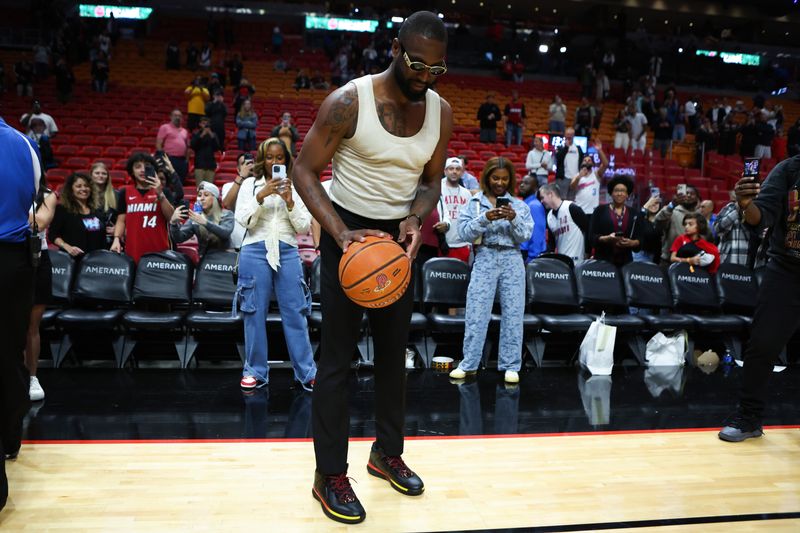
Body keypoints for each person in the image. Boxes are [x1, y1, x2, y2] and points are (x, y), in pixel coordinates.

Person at [292, 11, 452, 524]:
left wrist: (416, 219)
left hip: (398, 241)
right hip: (348, 235)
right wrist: (339, 234)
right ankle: (329, 474)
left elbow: (429, 180)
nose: (426, 76)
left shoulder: (441, 112)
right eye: (418, 64)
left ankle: (386, 453)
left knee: (392, 358)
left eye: (437, 69)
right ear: (395, 49)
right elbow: (303, 169)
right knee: (336, 362)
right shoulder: (349, 101)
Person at [719, 155, 800, 441]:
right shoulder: (789, 169)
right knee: (763, 345)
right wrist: (745, 204)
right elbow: (760, 216)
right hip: (787, 270)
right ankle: (749, 418)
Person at [233, 137, 316, 390]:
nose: (275, 162)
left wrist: (290, 201)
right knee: (253, 313)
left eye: (280, 158)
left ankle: (307, 372)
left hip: (288, 251)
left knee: (295, 312)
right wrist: (261, 196)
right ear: (262, 159)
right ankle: (255, 371)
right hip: (254, 251)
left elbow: (303, 226)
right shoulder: (249, 184)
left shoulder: (296, 186)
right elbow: (243, 220)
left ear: (286, 160)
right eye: (270, 157)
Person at [449, 157, 532, 383]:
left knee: (513, 314)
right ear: (487, 177)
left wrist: (514, 219)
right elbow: (464, 233)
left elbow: (526, 236)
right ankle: (469, 364)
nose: (500, 183)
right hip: (484, 256)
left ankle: (511, 365)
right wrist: (484, 218)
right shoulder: (474, 202)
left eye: (504, 179)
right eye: (495, 178)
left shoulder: (520, 206)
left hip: (512, 259)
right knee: (476, 313)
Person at [0, 115, 41, 511]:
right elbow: (34, 197)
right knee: (10, 355)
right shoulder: (24, 144)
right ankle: (11, 438)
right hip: (14, 262)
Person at [110, 152, 175, 263]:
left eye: (147, 166)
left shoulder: (164, 192)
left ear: (153, 170)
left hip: (159, 251)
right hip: (133, 251)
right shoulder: (124, 192)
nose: (142, 170)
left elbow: (171, 218)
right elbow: (121, 220)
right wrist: (116, 239)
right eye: (137, 167)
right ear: (132, 172)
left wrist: (160, 195)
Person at [25, 175, 56, 402]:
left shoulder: (47, 195)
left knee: (31, 325)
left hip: (37, 260)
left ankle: (31, 376)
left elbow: (38, 223)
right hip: (9, 255)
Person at [49, 172, 108, 258]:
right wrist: (67, 247)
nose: (83, 189)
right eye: (78, 186)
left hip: (96, 261)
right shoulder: (62, 209)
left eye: (86, 186)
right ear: (71, 190)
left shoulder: (98, 210)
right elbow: (53, 235)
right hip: (72, 259)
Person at [588, 175, 642, 266]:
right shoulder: (599, 211)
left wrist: (632, 243)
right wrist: (606, 239)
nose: (619, 193)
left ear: (627, 194)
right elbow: (591, 237)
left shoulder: (634, 214)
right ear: (611, 193)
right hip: (603, 263)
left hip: (626, 264)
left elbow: (640, 239)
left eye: (623, 191)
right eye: (616, 190)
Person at [170, 182, 233, 257]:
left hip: (225, 258)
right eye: (199, 195)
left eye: (206, 195)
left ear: (215, 198)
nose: (201, 198)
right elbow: (179, 238)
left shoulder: (226, 214)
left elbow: (225, 233)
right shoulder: (195, 217)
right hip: (204, 259)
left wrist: (205, 222)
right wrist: (173, 223)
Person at [654, 185, 710, 266]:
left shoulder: (700, 216)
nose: (689, 195)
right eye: (686, 193)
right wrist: (672, 205)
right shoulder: (671, 211)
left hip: (693, 262)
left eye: (692, 193)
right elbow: (658, 221)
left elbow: (707, 237)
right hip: (669, 261)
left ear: (698, 198)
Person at [540, 183, 589, 265]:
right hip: (562, 262)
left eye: (542, 198)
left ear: (550, 194)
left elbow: (588, 229)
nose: (541, 201)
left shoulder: (571, 207)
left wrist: (588, 252)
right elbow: (552, 244)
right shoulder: (549, 217)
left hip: (578, 261)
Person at [440, 157, 473, 263]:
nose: (454, 171)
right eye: (451, 168)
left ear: (462, 172)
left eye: (458, 169)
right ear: (445, 171)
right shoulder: (438, 189)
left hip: (462, 244)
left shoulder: (466, 193)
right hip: (442, 242)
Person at [221, 152, 255, 249]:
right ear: (238, 169)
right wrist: (242, 176)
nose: (249, 166)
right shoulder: (229, 186)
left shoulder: (262, 185)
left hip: (257, 241)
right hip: (236, 241)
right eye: (244, 164)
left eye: (252, 163)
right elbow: (227, 205)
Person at [570, 141, 608, 215]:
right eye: (585, 160)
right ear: (581, 163)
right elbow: (572, 187)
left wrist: (600, 150)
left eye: (589, 160)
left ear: (592, 164)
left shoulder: (596, 174)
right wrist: (579, 177)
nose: (587, 161)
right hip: (579, 210)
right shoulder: (576, 176)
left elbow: (605, 164)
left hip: (593, 211)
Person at [714, 193, 749, 266]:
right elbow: (718, 228)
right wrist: (738, 210)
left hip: (750, 260)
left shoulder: (758, 210)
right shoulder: (730, 207)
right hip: (730, 257)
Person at [518, 174, 546, 263]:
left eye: (526, 183)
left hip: (528, 255)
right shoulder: (525, 204)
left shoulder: (534, 206)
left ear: (535, 189)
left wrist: (532, 258)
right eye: (521, 182)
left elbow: (537, 233)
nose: (522, 185)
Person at [156, 109, 190, 181]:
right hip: (169, 159)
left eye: (179, 116)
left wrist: (186, 161)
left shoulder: (185, 131)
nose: (177, 117)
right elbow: (159, 144)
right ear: (170, 117)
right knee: (168, 181)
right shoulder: (164, 127)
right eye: (175, 115)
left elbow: (187, 147)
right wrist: (162, 158)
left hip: (182, 161)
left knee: (180, 182)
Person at [89, 162, 118, 247]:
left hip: (110, 239)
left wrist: (117, 229)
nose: (100, 176)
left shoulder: (117, 195)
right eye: (97, 173)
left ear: (107, 177)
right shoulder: (84, 194)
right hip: (90, 238)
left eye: (104, 173)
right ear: (91, 175)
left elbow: (124, 217)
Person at [554, 127, 583, 200]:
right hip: (563, 178)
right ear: (564, 135)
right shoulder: (560, 148)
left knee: (572, 200)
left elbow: (582, 161)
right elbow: (558, 158)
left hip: (575, 178)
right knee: (561, 199)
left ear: (574, 136)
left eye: (571, 134)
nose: (569, 136)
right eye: (567, 134)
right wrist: (566, 148)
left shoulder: (578, 149)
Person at [633, 195, 663, 264]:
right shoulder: (642, 219)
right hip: (641, 254)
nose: (654, 205)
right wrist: (647, 204)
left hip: (657, 256)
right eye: (651, 203)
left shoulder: (662, 220)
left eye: (656, 203)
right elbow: (637, 218)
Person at [190, 116, 220, 185]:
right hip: (199, 166)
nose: (205, 125)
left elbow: (217, 148)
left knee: (209, 189)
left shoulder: (213, 135)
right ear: (200, 124)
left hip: (210, 166)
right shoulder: (196, 134)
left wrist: (211, 135)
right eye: (203, 123)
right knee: (200, 188)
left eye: (207, 124)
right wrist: (202, 135)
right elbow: (193, 145)